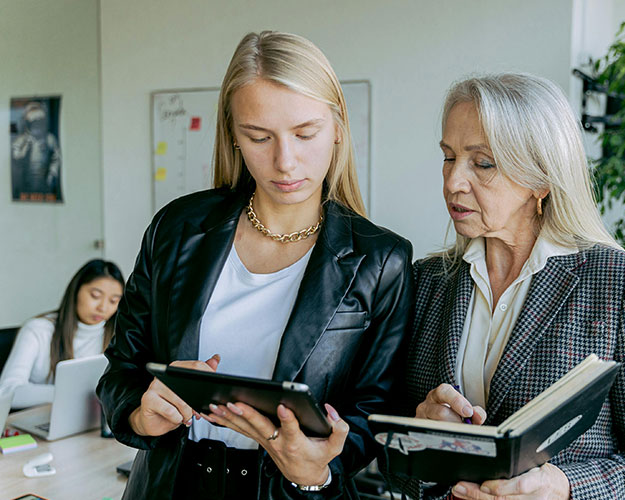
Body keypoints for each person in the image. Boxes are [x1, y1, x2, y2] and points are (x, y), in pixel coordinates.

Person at [97, 31, 413, 500]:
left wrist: (316, 471)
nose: (286, 162)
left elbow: (376, 412)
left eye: (306, 134)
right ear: (234, 137)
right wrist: (142, 414)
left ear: (339, 128)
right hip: (167, 486)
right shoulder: (177, 228)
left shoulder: (381, 260)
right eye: (259, 137)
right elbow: (122, 368)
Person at [402, 73, 625, 499]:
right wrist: (424, 442)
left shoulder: (624, 284)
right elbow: (388, 457)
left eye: (482, 163)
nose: (453, 182)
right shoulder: (427, 281)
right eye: (449, 157)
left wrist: (565, 486)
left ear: (541, 179)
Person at [0, 259, 124, 409]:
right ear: (76, 290)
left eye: (113, 301)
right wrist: (68, 395)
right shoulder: (38, 330)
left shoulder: (117, 335)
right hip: (37, 418)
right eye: (95, 296)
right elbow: (7, 392)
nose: (103, 307)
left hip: (90, 420)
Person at [11, 101, 62, 201]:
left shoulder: (49, 138)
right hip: (25, 182)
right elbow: (15, 158)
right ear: (27, 124)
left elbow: (56, 157)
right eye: (34, 123)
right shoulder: (21, 140)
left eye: (40, 122)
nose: (38, 126)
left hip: (45, 183)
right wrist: (25, 147)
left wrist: (52, 172)